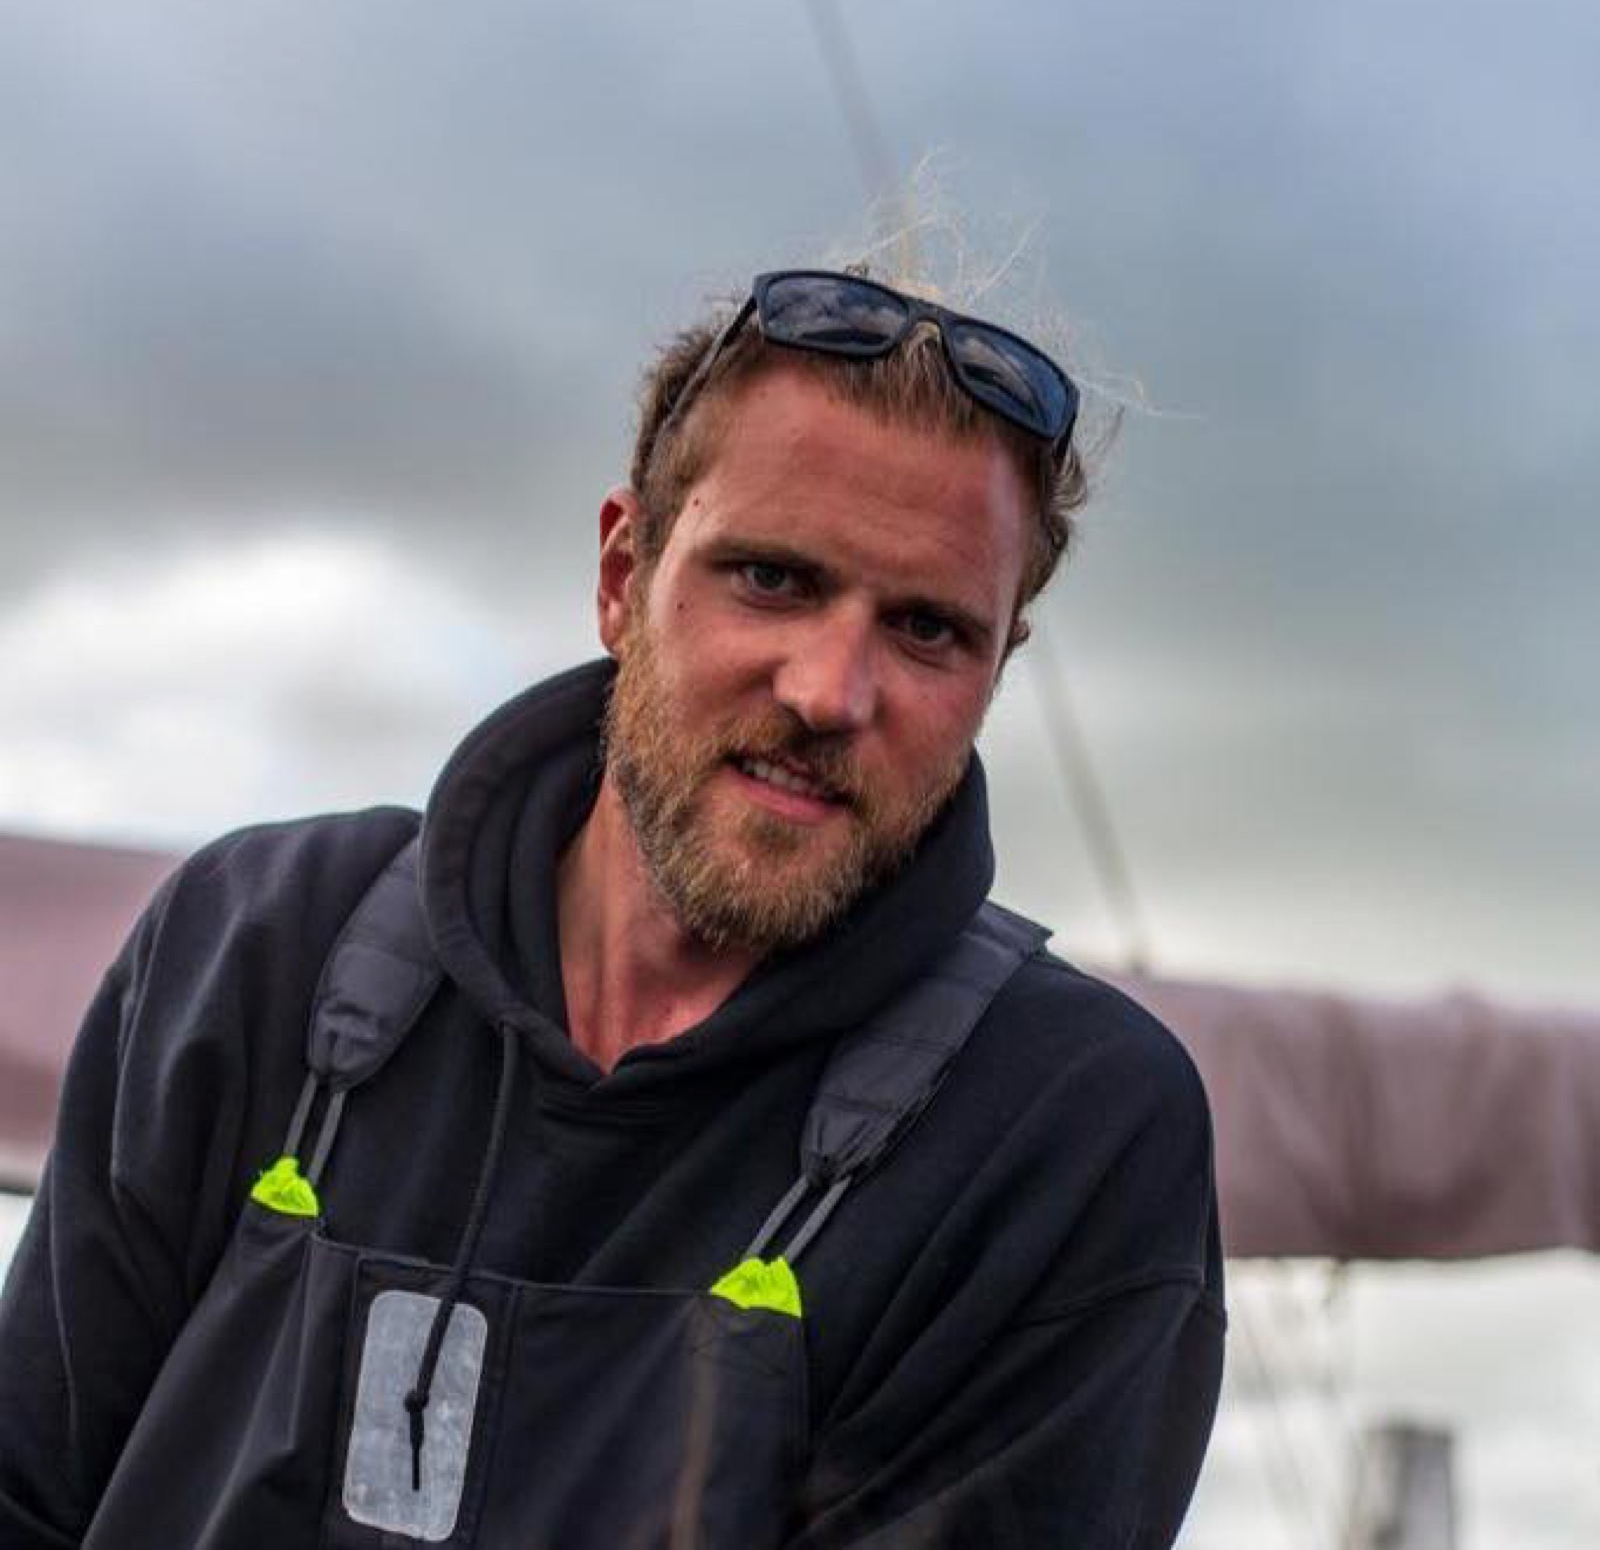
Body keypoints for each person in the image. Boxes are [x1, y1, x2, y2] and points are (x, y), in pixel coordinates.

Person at [0, 268, 1225, 1548]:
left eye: (926, 630)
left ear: (996, 669)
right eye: (772, 578)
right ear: (621, 571)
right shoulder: (256, 948)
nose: (828, 689)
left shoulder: (1059, 1135)